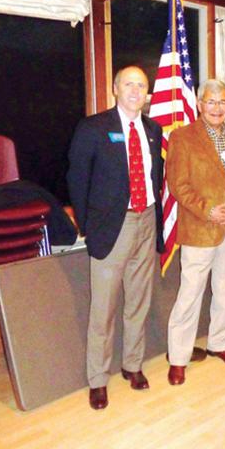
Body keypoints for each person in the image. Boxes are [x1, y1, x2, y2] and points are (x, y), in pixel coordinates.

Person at [67, 65, 164, 410]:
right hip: (113, 226)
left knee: (138, 301)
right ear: (115, 88)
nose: (136, 90)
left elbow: (156, 177)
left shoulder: (154, 129)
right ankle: (98, 378)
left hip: (147, 219)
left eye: (141, 85)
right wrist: (87, 225)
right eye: (129, 84)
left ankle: (132, 365)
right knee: (103, 308)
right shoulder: (94, 127)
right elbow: (77, 179)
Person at [165, 79, 225, 385]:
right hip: (199, 227)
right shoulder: (182, 137)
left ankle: (220, 344)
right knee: (189, 294)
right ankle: (178, 357)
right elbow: (177, 185)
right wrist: (208, 209)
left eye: (222, 102)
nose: (217, 108)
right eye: (211, 102)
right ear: (199, 103)